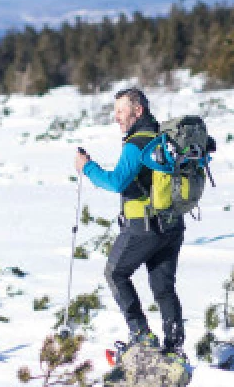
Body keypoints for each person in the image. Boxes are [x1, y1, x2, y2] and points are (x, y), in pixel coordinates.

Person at [75, 88, 186, 358]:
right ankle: (174, 346)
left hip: (143, 226)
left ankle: (141, 335)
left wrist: (87, 167)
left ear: (138, 111)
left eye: (121, 111)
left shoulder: (138, 143)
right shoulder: (163, 137)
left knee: (115, 273)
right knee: (163, 287)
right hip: (172, 225)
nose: (116, 117)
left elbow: (116, 182)